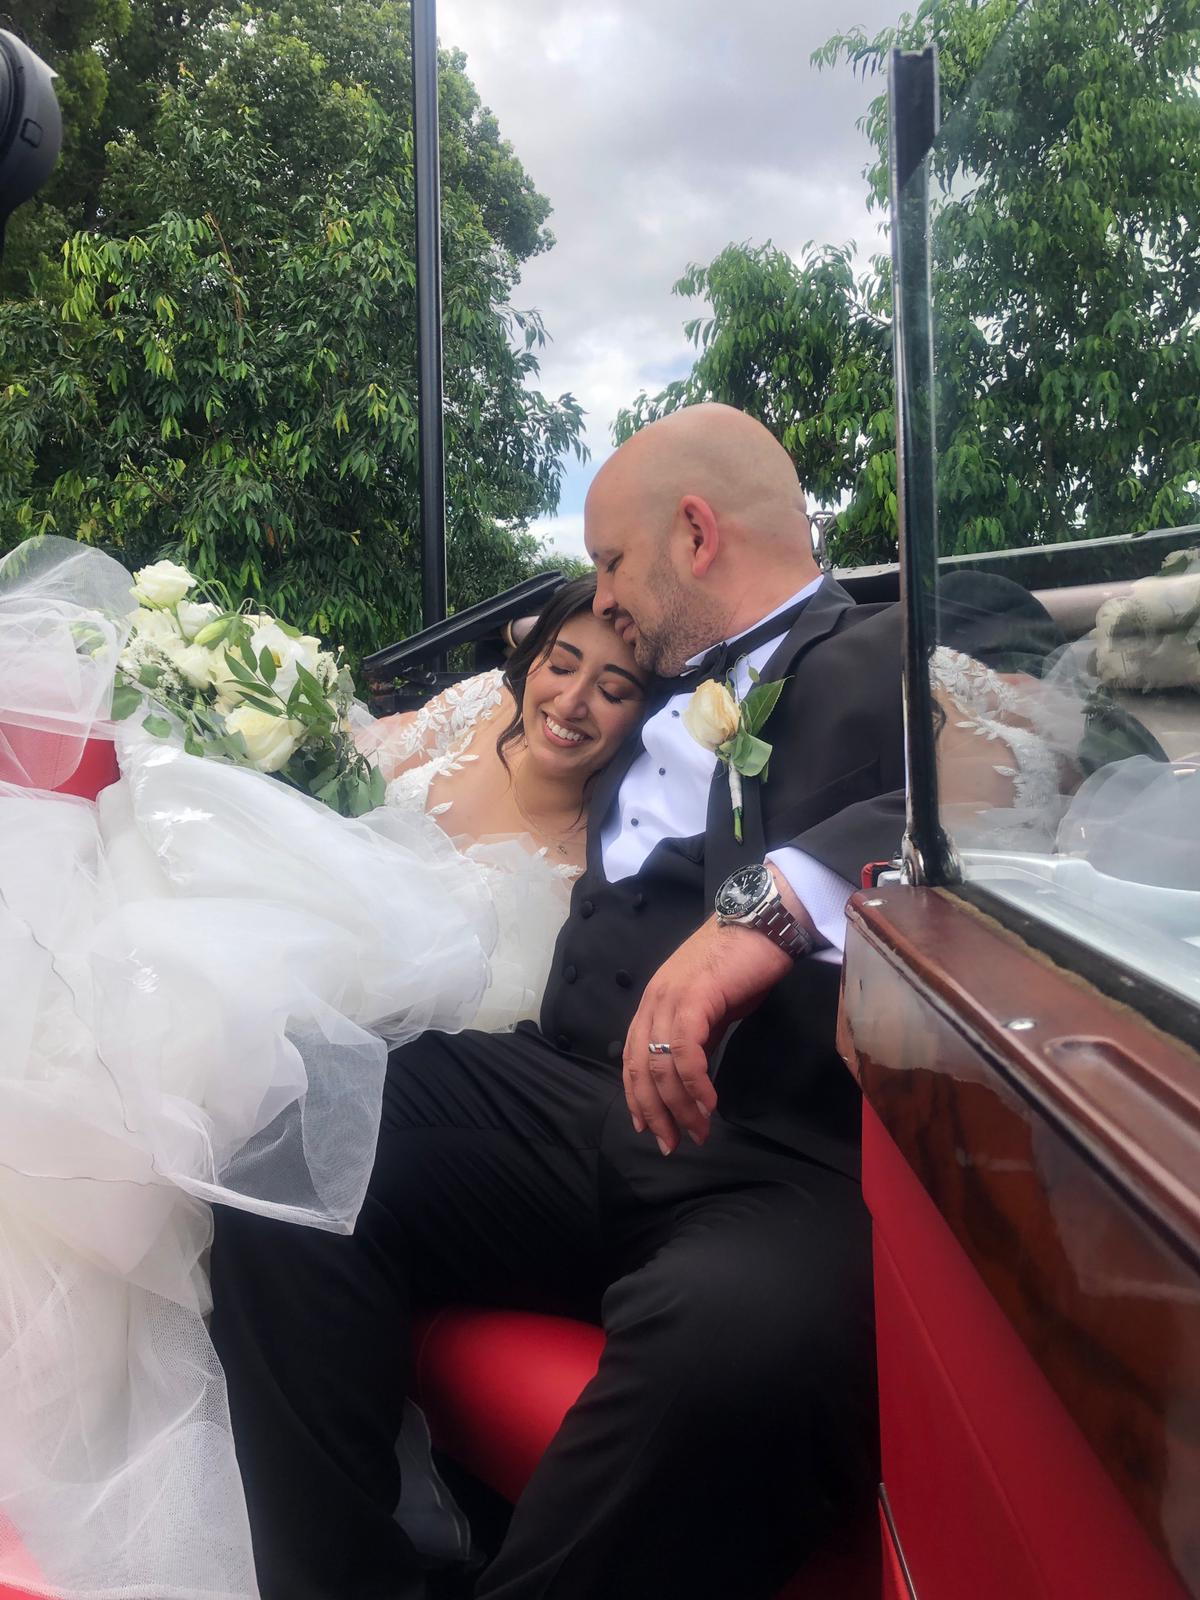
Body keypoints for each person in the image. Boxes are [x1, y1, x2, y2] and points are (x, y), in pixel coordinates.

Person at [209, 402, 909, 1600]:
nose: (603, 596)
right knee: (295, 1135)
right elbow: (490, 746)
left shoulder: (896, 646)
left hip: (774, 1158)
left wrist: (776, 903)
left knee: (736, 1354)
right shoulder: (639, 699)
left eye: (611, 561)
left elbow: (1031, 770)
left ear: (696, 535)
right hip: (562, 1096)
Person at [0, 548, 644, 1600]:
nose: (572, 701)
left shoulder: (610, 855)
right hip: (302, 959)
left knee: (224, 1089)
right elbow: (350, 758)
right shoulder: (466, 717)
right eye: (562, 664)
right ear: (529, 663)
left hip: (406, 1046)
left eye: (613, 689)